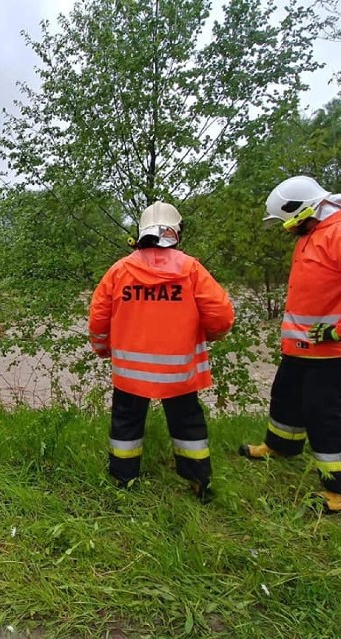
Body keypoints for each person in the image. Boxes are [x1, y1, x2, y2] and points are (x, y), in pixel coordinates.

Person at [239, 176, 341, 513]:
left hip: (334, 350)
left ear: (305, 210)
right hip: (303, 346)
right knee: (286, 396)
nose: (287, 229)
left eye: (288, 222)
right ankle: (282, 447)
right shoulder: (317, 233)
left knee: (322, 413)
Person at [88, 202, 235, 502]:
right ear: (175, 232)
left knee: (125, 425)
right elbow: (221, 315)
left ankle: (122, 481)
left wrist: (103, 349)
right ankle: (199, 482)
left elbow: (98, 319)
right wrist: (211, 335)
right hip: (179, 371)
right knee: (187, 422)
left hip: (130, 374)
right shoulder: (190, 268)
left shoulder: (120, 270)